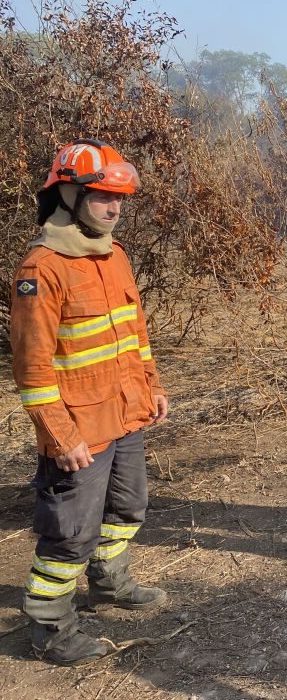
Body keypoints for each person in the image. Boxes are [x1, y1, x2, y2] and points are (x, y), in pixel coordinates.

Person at [11, 139, 170, 666]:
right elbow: (32, 370)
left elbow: (135, 334)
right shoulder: (43, 268)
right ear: (69, 193)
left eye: (119, 197)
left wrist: (153, 385)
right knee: (69, 535)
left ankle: (109, 582)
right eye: (102, 196)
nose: (115, 207)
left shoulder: (114, 255)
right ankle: (50, 626)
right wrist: (61, 435)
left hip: (125, 413)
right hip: (79, 429)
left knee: (128, 508)